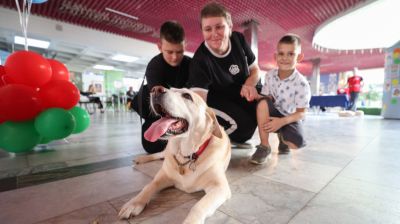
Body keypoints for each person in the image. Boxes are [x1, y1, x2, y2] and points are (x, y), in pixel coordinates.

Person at [187, 2, 261, 147]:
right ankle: (214, 139)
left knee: (264, 107)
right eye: (208, 29)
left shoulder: (239, 39)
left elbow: (255, 70)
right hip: (216, 100)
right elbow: (200, 105)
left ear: (230, 26)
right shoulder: (200, 61)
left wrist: (249, 84)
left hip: (239, 93)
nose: (214, 34)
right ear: (202, 31)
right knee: (244, 130)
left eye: (219, 27)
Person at [249, 34, 311, 165]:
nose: (285, 58)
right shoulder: (270, 76)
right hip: (274, 114)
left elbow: (301, 112)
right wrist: (255, 94)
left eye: (291, 54)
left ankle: (283, 139)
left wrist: (282, 122)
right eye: (281, 53)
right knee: (262, 104)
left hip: (290, 118)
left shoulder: (302, 83)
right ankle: (264, 147)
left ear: (299, 57)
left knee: (296, 143)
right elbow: (267, 98)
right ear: (275, 56)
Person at [139, 20, 191, 154]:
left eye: (179, 52)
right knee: (151, 146)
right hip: (161, 111)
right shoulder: (154, 65)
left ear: (185, 45)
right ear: (159, 46)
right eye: (169, 52)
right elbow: (159, 101)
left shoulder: (192, 65)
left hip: (186, 112)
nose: (174, 57)